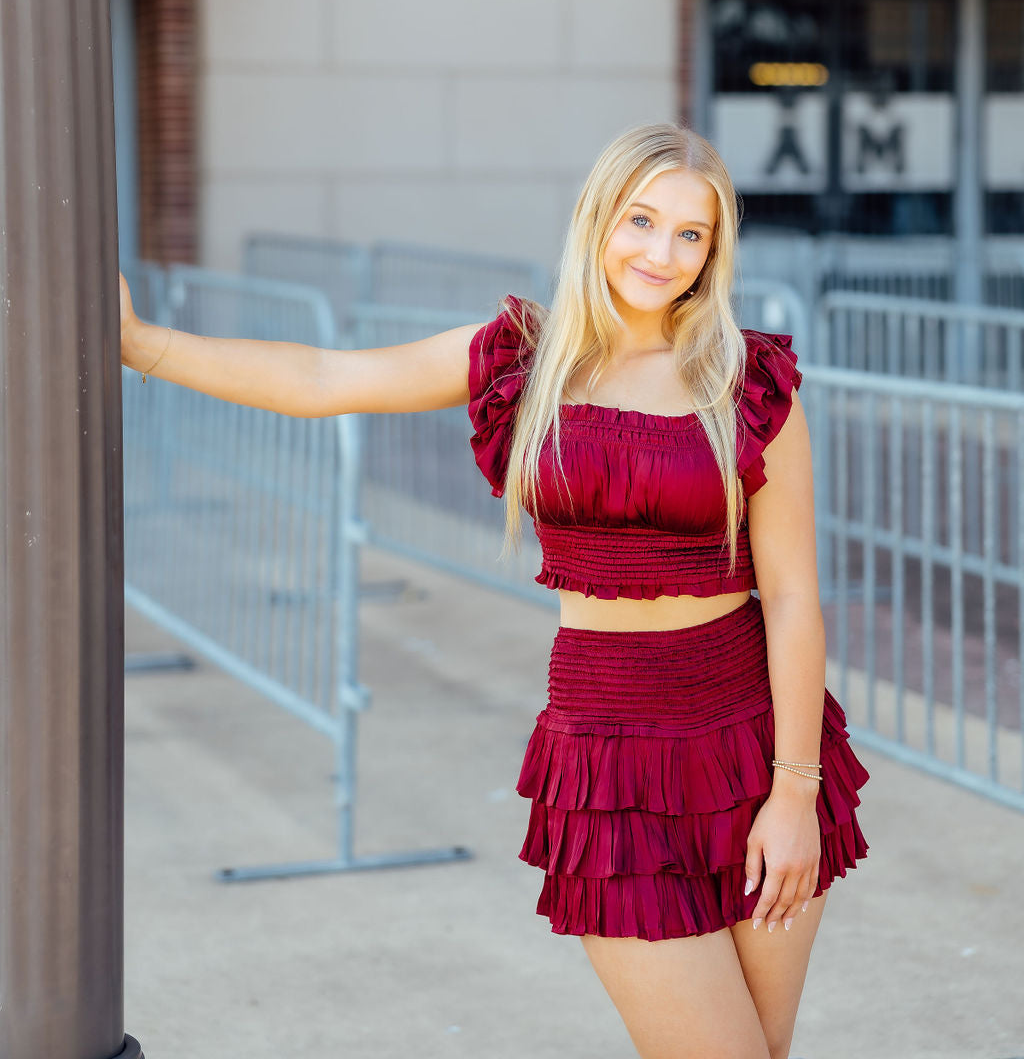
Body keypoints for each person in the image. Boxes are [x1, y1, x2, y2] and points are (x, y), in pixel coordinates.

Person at [120, 121, 870, 1059]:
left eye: (692, 234)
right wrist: (142, 345)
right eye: (640, 220)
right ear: (598, 219)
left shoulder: (749, 382)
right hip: (608, 765)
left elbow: (794, 596)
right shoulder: (523, 360)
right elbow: (324, 376)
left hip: (756, 748)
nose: (661, 252)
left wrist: (795, 795)